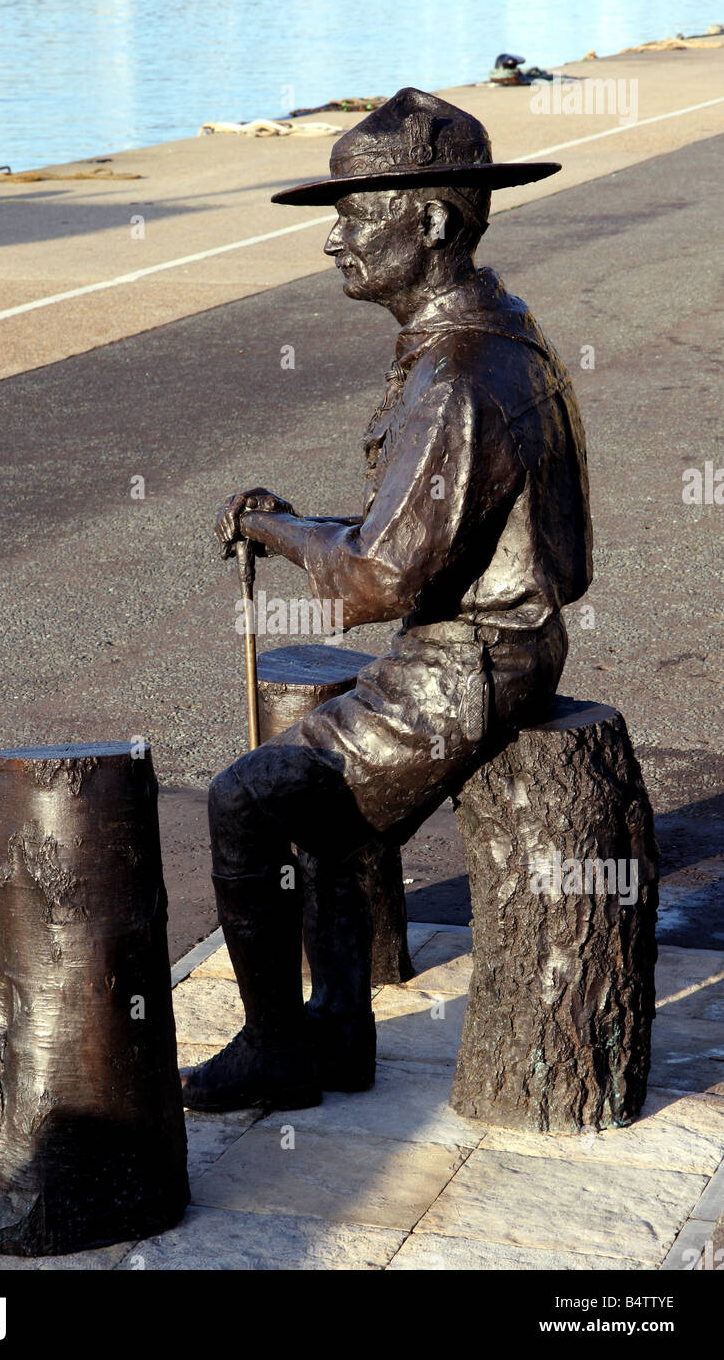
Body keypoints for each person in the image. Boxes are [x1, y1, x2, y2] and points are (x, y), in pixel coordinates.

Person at [181, 87, 593, 1112]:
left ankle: (279, 1045)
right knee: (322, 803)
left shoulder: (457, 376)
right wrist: (295, 526)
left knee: (247, 797)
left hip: (470, 660)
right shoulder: (498, 334)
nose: (334, 241)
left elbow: (373, 581)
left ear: (434, 222)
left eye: (355, 213)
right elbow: (403, 542)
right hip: (479, 642)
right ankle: (335, 1031)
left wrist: (276, 529)